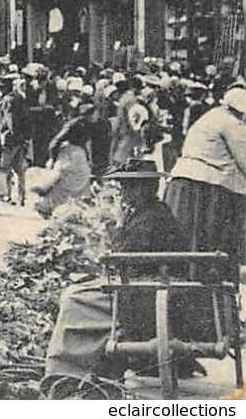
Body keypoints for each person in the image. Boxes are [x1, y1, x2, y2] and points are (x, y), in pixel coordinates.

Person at [44, 158, 209, 385]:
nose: (122, 191)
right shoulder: (153, 212)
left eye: (129, 186)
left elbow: (118, 258)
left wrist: (120, 225)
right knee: (78, 290)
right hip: (148, 287)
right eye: (123, 185)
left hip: (143, 294)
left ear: (145, 189)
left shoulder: (149, 219)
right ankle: (80, 364)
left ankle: (69, 368)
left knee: (74, 297)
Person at [164, 85, 246, 266]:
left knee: (186, 241)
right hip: (208, 187)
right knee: (211, 242)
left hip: (182, 181)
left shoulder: (210, 116)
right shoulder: (232, 123)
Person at [30, 118, 94, 218]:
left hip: (67, 181)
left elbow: (59, 171)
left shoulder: (65, 149)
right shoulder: (82, 151)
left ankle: (45, 207)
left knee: (57, 186)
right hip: (82, 180)